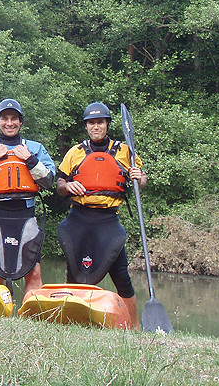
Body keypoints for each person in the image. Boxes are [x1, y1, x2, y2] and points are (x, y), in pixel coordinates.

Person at [56, 102, 147, 329]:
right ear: (86, 126)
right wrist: (68, 187)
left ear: (107, 124)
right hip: (79, 217)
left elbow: (141, 181)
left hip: (108, 219)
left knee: (121, 275)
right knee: (74, 273)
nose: (95, 127)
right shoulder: (75, 152)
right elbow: (59, 183)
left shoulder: (126, 151)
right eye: (91, 123)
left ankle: (135, 326)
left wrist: (139, 176)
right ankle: (72, 322)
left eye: (100, 122)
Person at [0, 98, 55, 294]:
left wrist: (30, 160)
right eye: (4, 118)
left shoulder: (35, 148)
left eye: (14, 118)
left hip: (25, 213)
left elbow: (49, 181)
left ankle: (32, 317)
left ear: (21, 122)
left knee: (34, 271)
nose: (9, 123)